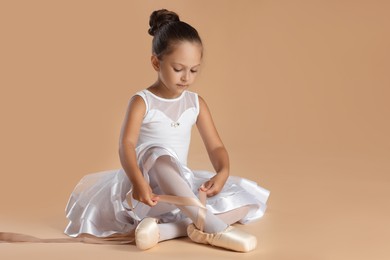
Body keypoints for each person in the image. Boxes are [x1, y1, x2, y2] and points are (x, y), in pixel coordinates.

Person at [64, 9, 270, 252]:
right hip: (147, 190)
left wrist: (223, 172)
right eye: (178, 69)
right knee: (156, 152)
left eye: (194, 70)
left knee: (247, 198)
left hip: (180, 189)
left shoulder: (195, 103)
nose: (186, 78)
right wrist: (139, 183)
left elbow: (215, 146)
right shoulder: (143, 101)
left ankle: (171, 230)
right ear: (156, 62)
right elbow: (126, 145)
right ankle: (213, 227)